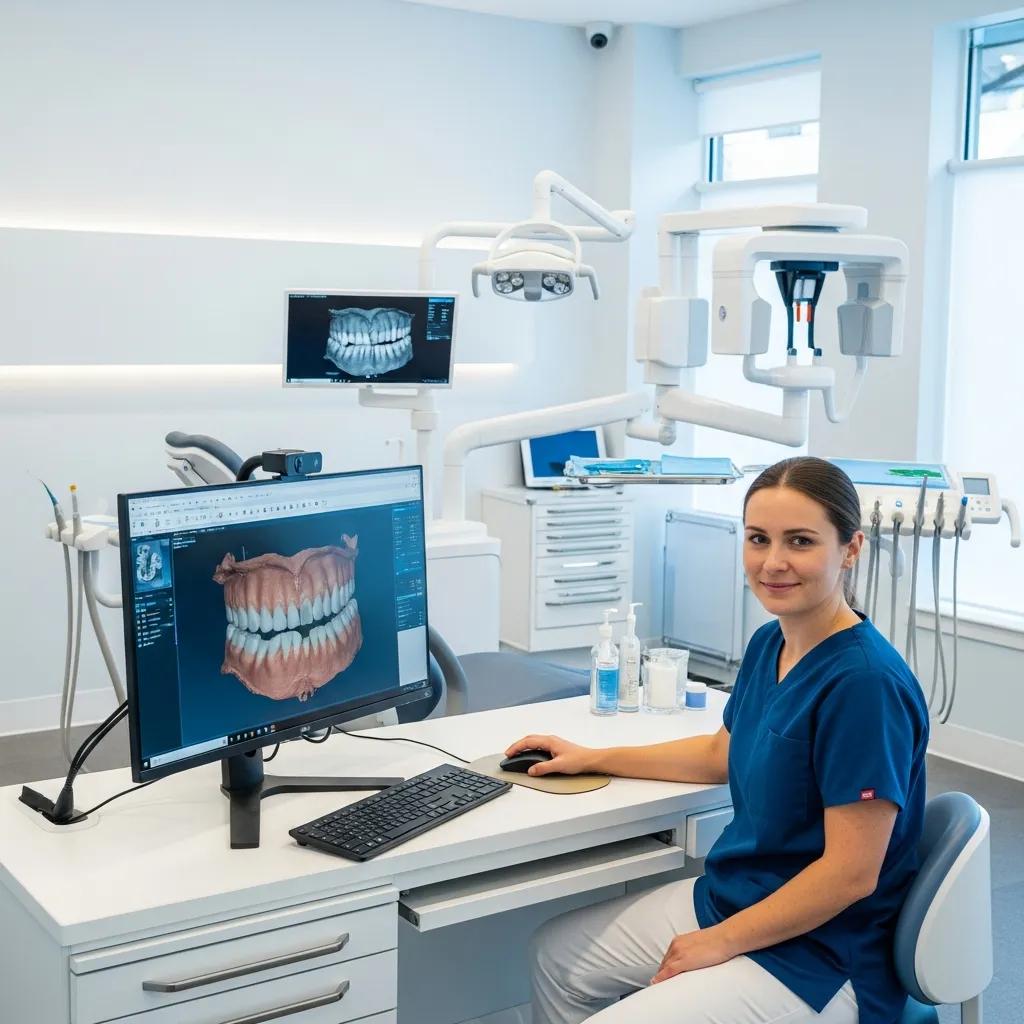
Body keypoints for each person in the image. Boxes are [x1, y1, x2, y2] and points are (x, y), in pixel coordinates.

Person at [506, 456, 930, 1024]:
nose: (773, 563)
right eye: (759, 539)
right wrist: (593, 756)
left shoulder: (864, 685)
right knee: (557, 959)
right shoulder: (770, 643)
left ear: (850, 549)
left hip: (822, 958)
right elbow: (720, 752)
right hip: (736, 896)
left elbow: (851, 874)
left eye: (800, 542)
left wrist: (721, 941)